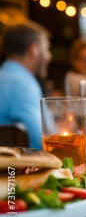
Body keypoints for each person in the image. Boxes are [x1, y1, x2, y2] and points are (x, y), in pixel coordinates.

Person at [0, 21, 52, 150]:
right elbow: (45, 143)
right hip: (16, 168)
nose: (49, 56)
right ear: (33, 49)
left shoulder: (5, 76)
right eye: (46, 49)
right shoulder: (21, 83)